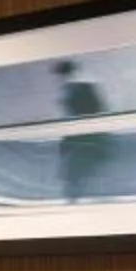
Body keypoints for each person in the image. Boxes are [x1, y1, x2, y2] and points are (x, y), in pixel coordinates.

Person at [55, 58, 109, 202]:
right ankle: (77, 198)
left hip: (85, 136)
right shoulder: (73, 88)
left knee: (79, 172)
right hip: (81, 136)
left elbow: (93, 111)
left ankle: (77, 198)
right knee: (78, 173)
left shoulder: (80, 87)